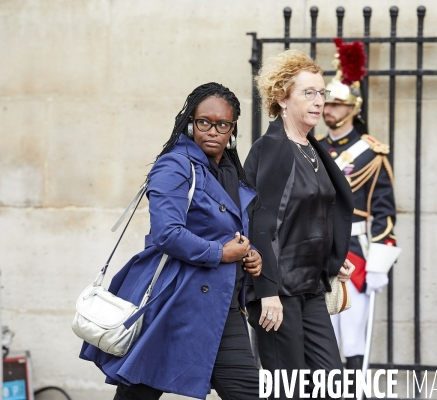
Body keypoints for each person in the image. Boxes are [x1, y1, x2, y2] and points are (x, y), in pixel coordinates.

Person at [79, 82, 264, 400]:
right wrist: (220, 253)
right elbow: (167, 233)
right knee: (139, 392)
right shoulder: (175, 165)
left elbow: (232, 230)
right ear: (190, 121)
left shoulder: (231, 172)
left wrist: (251, 253)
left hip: (222, 306)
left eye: (222, 124)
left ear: (232, 128)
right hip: (175, 301)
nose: (212, 131)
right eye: (204, 121)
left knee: (248, 392)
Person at [244, 49, 356, 399]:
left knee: (332, 384)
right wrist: (267, 292)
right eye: (308, 93)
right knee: (287, 390)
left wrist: (333, 259)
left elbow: (314, 213)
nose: (319, 101)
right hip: (279, 294)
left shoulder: (312, 148)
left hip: (310, 288)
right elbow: (261, 224)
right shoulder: (274, 148)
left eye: (321, 93)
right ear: (282, 97)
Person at [316, 39, 399, 390]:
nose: (328, 109)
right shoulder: (314, 147)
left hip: (356, 252)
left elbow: (384, 210)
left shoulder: (372, 153)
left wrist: (380, 262)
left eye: (336, 103)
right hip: (316, 250)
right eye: (326, 102)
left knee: (352, 338)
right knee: (320, 338)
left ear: (353, 107)